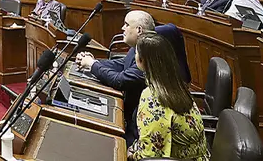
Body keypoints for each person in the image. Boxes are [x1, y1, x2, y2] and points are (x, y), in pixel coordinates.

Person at [75, 11, 190, 145]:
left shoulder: (150, 65)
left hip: (141, 132)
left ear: (139, 30)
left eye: (126, 24)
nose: (122, 28)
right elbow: (123, 64)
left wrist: (92, 64)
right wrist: (92, 62)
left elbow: (120, 80)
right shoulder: (143, 49)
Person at [127, 33, 209, 160]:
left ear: (141, 60)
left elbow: (149, 156)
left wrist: (131, 155)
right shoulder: (176, 85)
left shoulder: (152, 100)